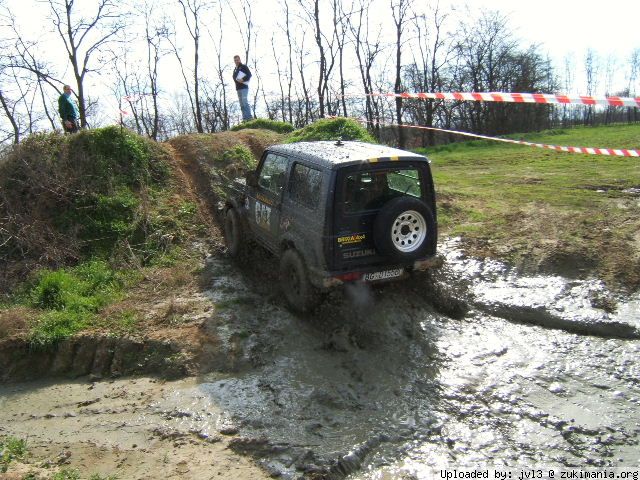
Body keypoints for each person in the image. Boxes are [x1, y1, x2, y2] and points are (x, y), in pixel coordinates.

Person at [232, 55, 253, 122]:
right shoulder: (235, 69)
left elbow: (249, 75)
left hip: (244, 87)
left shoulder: (244, 66)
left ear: (240, 60)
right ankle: (245, 118)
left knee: (244, 102)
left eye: (237, 60)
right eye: (235, 60)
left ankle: (249, 118)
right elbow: (234, 78)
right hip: (238, 88)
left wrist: (243, 79)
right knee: (241, 104)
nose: (236, 61)